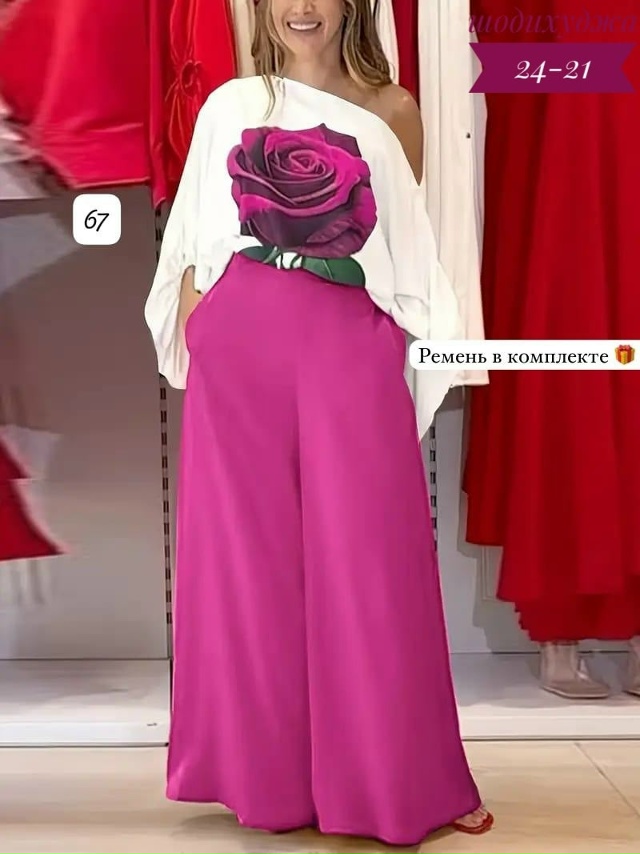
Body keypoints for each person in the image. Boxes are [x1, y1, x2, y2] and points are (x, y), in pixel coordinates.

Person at [145, 0, 493, 845]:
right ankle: (266, 784)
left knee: (371, 564)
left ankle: (402, 784)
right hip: (240, 349)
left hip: (348, 344)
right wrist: (198, 318)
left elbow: (407, 244)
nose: (302, 7)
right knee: (249, 568)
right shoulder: (230, 103)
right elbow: (193, 232)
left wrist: (409, 341)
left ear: (352, 4)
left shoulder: (393, 109)